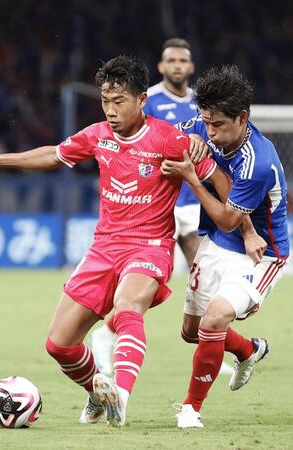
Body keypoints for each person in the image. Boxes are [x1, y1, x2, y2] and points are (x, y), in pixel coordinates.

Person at [0, 55, 227, 429]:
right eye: (106, 101)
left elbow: (220, 179)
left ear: (141, 99)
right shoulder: (97, 135)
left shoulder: (170, 139)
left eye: (119, 101)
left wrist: (242, 224)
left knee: (126, 307)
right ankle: (97, 393)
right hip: (103, 248)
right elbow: (53, 155)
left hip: (149, 246)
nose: (111, 110)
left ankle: (119, 395)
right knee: (59, 343)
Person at [90, 38, 233, 377]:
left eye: (184, 60)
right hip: (159, 206)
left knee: (203, 277)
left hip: (193, 202)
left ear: (191, 66)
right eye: (171, 61)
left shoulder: (201, 103)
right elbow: (136, 145)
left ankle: (208, 344)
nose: (178, 66)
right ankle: (111, 333)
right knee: (157, 285)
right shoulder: (147, 100)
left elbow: (202, 143)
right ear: (162, 66)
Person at [161, 65, 289, 428]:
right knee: (192, 332)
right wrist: (186, 143)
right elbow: (168, 138)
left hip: (262, 255)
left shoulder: (258, 162)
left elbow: (228, 218)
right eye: (206, 122)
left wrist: (193, 173)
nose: (210, 132)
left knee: (214, 318)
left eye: (218, 125)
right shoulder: (204, 126)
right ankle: (249, 350)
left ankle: (190, 409)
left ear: (242, 118)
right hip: (218, 244)